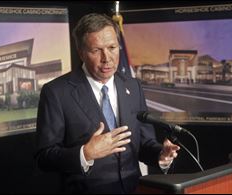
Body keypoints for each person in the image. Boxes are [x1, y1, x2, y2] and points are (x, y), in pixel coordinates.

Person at [35, 13, 180, 194]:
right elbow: (44, 157)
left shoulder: (132, 86)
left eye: (112, 47)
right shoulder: (56, 92)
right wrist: (85, 154)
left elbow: (143, 143)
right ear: (81, 52)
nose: (107, 58)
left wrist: (161, 154)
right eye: (96, 50)